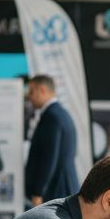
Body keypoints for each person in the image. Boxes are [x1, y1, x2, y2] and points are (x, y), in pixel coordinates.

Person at [24, 75, 79, 206]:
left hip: (55, 191)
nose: (29, 96)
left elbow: (49, 158)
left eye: (31, 91)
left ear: (42, 90)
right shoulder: (60, 113)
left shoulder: (52, 117)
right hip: (61, 188)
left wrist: (38, 192)